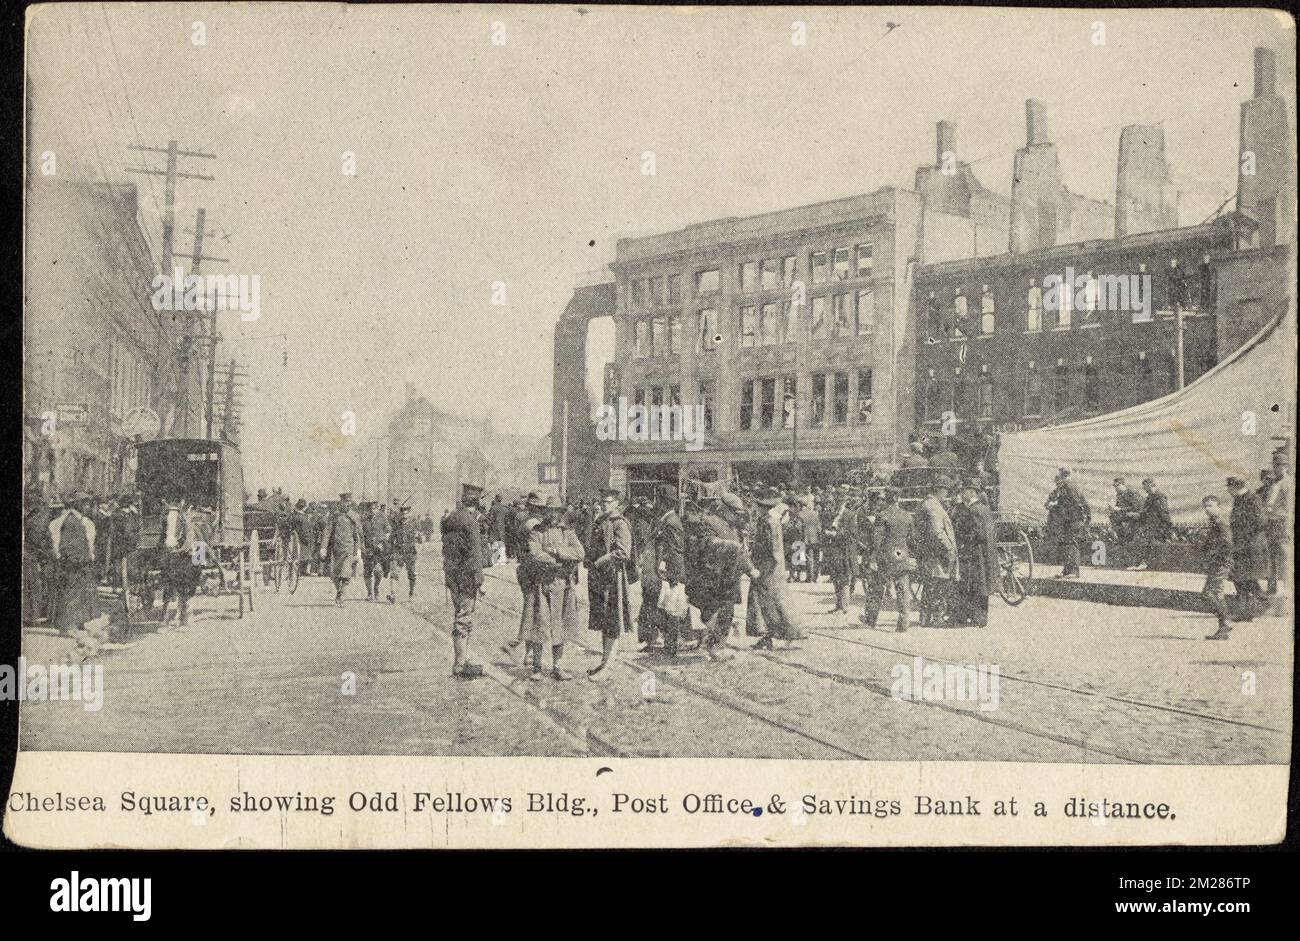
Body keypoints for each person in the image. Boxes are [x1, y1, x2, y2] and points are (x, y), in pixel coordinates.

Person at [519, 496, 584, 680]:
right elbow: (535, 555)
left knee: (560, 626)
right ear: (545, 512)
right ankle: (537, 667)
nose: (553, 514)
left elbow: (580, 553)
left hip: (562, 585)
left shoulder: (568, 532)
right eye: (550, 510)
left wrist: (556, 552)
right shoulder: (537, 531)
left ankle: (558, 666)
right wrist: (562, 561)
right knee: (540, 625)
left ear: (561, 512)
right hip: (542, 584)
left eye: (557, 511)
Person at [748, 486, 805, 650]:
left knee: (769, 602)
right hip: (773, 565)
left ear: (761, 506)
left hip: (767, 566)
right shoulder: (774, 520)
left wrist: (762, 564)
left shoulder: (767, 521)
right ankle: (778, 634)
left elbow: (769, 546)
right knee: (775, 601)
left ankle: (775, 634)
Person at [585, 488, 634, 680]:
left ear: (617, 504)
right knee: (603, 620)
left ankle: (609, 666)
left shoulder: (619, 524)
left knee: (612, 621)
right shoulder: (600, 521)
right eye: (602, 501)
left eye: (608, 502)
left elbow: (623, 552)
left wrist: (599, 561)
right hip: (599, 578)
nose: (604, 504)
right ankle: (604, 661)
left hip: (613, 578)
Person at [442, 484, 486, 677]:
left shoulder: (450, 518)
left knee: (459, 613)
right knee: (464, 618)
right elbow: (476, 553)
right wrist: (480, 580)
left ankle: (462, 657)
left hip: (452, 574)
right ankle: (460, 663)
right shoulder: (471, 522)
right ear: (475, 503)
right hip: (467, 576)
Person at [48, 491, 100, 644]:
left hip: (75, 562)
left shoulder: (72, 519)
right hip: (74, 563)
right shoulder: (72, 522)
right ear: (78, 504)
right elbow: (70, 546)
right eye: (85, 503)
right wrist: (80, 560)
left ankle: (78, 622)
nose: (88, 506)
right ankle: (68, 626)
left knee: (80, 593)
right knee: (72, 594)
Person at [861, 488, 915, 632]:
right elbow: (912, 538)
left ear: (887, 499)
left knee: (876, 588)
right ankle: (903, 623)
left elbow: (877, 539)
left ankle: (870, 620)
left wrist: (874, 557)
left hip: (885, 556)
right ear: (898, 498)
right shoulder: (907, 516)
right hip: (901, 554)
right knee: (903, 589)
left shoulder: (882, 516)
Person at [952, 485, 999, 627]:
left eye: (963, 491)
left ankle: (975, 618)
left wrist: (960, 539)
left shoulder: (972, 511)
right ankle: (981, 619)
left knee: (973, 585)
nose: (961, 493)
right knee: (982, 586)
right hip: (987, 553)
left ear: (971, 493)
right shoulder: (985, 508)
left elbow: (978, 534)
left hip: (976, 554)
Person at [913, 477, 957, 626]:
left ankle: (925, 618)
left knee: (930, 584)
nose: (946, 494)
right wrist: (949, 548)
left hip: (928, 551)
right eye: (945, 491)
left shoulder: (926, 503)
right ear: (940, 490)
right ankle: (936, 618)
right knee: (938, 584)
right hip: (935, 553)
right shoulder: (933, 506)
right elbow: (937, 532)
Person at [158, 495, 205, 628]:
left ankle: (188, 613)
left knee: (199, 549)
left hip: (192, 530)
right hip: (172, 535)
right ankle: (166, 616)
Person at [1226, 476, 1267, 621]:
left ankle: (1260, 605)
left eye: (1229, 488)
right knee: (1240, 579)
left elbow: (1260, 522)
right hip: (1241, 545)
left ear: (1235, 487)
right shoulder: (1238, 499)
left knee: (1246, 578)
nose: (1228, 491)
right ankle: (1245, 611)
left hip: (1251, 545)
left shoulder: (1253, 499)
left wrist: (1243, 535)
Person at [318, 492, 365, 607]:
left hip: (348, 549)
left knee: (346, 574)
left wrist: (358, 550)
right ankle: (339, 591)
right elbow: (327, 532)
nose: (347, 504)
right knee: (334, 576)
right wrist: (323, 547)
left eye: (349, 501)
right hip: (335, 549)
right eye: (345, 501)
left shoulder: (354, 516)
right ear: (341, 502)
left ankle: (342, 595)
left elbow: (358, 535)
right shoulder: (334, 516)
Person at [1201, 495, 1235, 640]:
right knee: (1216, 593)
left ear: (1218, 506)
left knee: (1209, 593)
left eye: (1211, 505)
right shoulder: (1215, 521)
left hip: (1221, 562)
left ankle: (1225, 622)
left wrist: (1214, 555)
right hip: (1218, 562)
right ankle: (1223, 628)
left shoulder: (1221, 521)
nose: (1208, 509)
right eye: (1206, 506)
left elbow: (1227, 543)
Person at [1046, 468, 1090, 578]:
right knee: (1066, 545)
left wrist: (1055, 505)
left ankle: (1073, 572)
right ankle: (1066, 570)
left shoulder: (1071, 487)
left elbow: (1072, 505)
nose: (1058, 480)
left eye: (1060, 477)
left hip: (1074, 520)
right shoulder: (1067, 487)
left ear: (1064, 477)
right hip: (1068, 521)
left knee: (1071, 544)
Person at [1262, 451, 1292, 596]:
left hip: (1282, 522)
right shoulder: (1273, 483)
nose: (1276, 468)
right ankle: (1272, 587)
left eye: (1279, 466)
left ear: (1286, 467)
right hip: (1271, 523)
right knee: (1271, 556)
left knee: (1284, 555)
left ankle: (1288, 587)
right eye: (1274, 465)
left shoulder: (1288, 483)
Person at [1129, 477, 1171, 571]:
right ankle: (1143, 563)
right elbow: (1145, 512)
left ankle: (1146, 564)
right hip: (1149, 525)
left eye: (1145, 487)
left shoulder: (1160, 497)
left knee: (1150, 544)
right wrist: (1137, 515)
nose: (1144, 489)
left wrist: (1166, 529)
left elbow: (1164, 513)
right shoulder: (1150, 497)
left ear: (1150, 485)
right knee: (1142, 541)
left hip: (1157, 527)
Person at [361, 501, 393, 601]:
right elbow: (360, 534)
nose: (373, 511)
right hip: (367, 549)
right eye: (371, 509)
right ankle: (370, 593)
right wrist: (361, 546)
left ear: (377, 508)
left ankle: (376, 588)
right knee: (367, 572)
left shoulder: (382, 517)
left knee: (378, 571)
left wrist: (383, 541)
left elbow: (388, 530)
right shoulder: (364, 519)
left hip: (379, 550)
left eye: (374, 508)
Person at [1108, 477, 1144, 561]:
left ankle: (1134, 559)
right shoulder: (1119, 495)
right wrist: (1114, 509)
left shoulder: (1131, 492)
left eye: (1116, 486)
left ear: (1122, 485)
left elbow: (1137, 507)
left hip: (1135, 518)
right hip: (1125, 519)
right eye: (1114, 486)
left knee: (1131, 539)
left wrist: (1120, 509)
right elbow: (1119, 508)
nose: (1115, 488)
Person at [390, 504, 419, 600]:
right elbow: (391, 539)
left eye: (406, 512)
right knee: (395, 573)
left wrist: (418, 538)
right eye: (402, 512)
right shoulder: (396, 525)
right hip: (399, 552)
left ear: (409, 513)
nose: (404, 515)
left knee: (412, 574)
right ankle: (393, 594)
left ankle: (412, 592)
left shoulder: (414, 524)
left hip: (410, 552)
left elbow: (420, 539)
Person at [797, 499, 822, 583]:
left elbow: (798, 527)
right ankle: (815, 577)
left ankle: (809, 577)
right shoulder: (815, 514)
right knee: (816, 558)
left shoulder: (800, 514)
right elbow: (819, 528)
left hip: (806, 538)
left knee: (808, 558)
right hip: (816, 538)